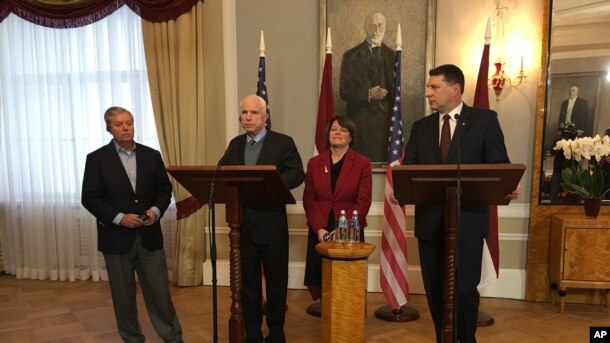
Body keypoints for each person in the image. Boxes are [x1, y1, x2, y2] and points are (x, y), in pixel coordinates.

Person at [401, 65, 520, 343]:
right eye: (428, 87)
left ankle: (465, 340)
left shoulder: (484, 120)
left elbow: (499, 165)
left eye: (434, 87)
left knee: (464, 291)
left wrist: (507, 186)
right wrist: (403, 189)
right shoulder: (421, 127)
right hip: (430, 224)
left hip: (467, 223)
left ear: (455, 89)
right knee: (435, 290)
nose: (427, 92)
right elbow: (410, 169)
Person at [81, 106, 182, 342]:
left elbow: (164, 190)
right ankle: (132, 338)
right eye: (119, 124)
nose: (126, 128)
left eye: (129, 122)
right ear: (109, 128)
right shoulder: (96, 159)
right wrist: (119, 217)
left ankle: (173, 338)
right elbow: (90, 198)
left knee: (159, 294)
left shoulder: (152, 155)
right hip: (116, 239)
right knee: (123, 297)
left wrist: (155, 211)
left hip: (149, 236)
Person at [218, 95, 305, 343]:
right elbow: (221, 171)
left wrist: (271, 185)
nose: (248, 117)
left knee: (277, 284)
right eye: (244, 113)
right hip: (242, 228)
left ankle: (276, 333)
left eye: (253, 113)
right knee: (249, 286)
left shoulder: (282, 143)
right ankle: (252, 334)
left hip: (272, 226)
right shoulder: (235, 145)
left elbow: (297, 173)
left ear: (265, 116)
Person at [302, 116, 372, 306]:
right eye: (334, 129)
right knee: (321, 277)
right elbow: (309, 199)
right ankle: (328, 313)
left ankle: (346, 315)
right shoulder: (315, 163)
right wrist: (320, 229)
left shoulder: (362, 163)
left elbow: (363, 202)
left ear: (350, 137)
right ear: (328, 135)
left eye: (343, 130)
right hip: (321, 228)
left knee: (347, 279)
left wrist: (343, 228)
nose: (338, 133)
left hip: (350, 228)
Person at [340, 12, 395, 163]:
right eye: (372, 25)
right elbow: (344, 91)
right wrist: (368, 94)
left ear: (385, 27)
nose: (376, 30)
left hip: (386, 126)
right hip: (360, 125)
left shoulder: (393, 56)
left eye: (380, 25)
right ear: (365, 27)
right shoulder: (351, 56)